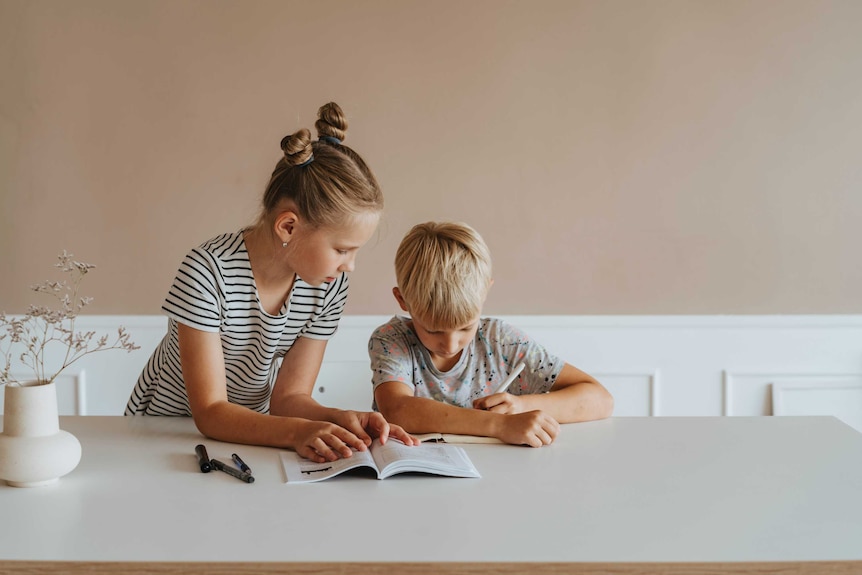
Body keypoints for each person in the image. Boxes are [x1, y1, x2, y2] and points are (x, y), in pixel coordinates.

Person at [126, 102, 418, 462]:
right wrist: (299, 432)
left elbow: (288, 399)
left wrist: (341, 418)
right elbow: (211, 411)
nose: (350, 266)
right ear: (289, 226)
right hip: (161, 435)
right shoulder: (206, 272)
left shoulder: (328, 286)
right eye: (342, 249)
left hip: (250, 435)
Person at [369, 221, 614, 447]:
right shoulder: (391, 339)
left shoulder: (501, 341)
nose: (450, 344)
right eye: (433, 330)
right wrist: (499, 425)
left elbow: (601, 400)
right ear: (402, 300)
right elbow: (398, 410)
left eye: (465, 327)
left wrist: (520, 406)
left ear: (485, 292)